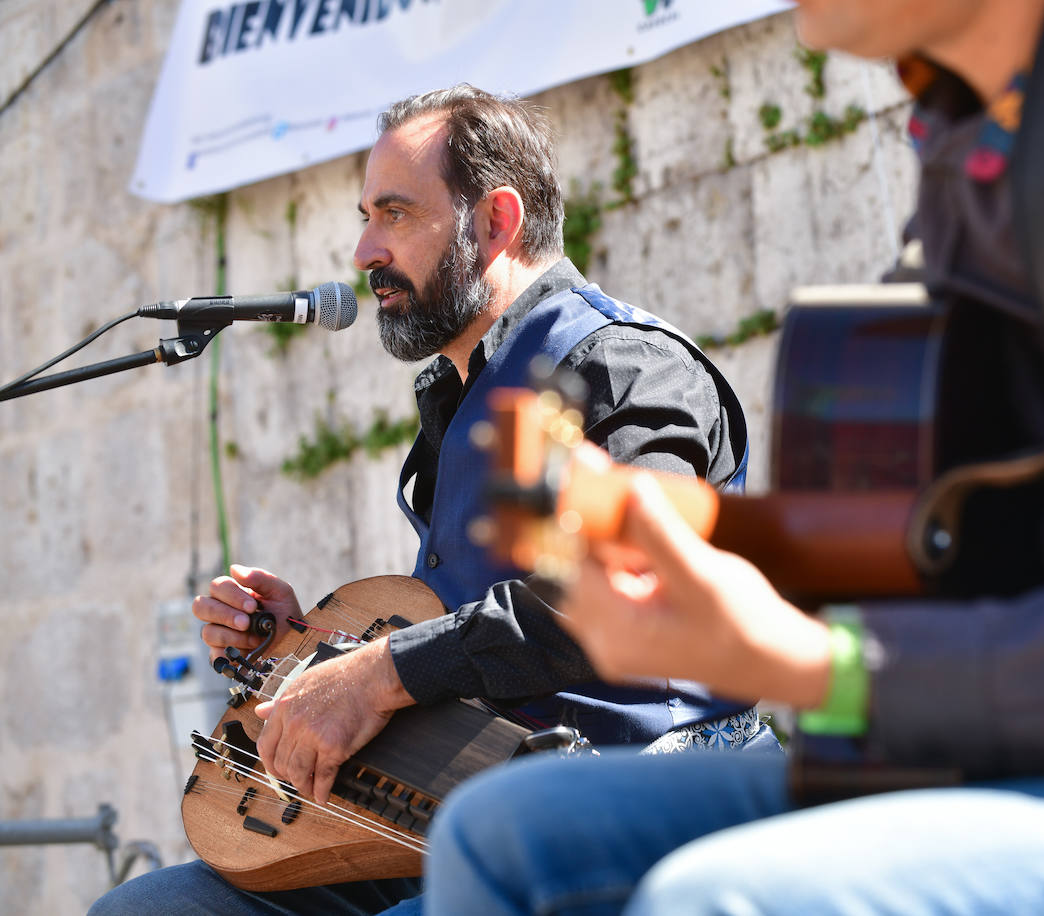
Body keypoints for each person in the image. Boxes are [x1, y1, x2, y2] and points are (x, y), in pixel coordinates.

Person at [420, 0, 1044, 913]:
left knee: (726, 901)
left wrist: (828, 668)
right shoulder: (980, 124)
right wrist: (680, 530)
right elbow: (969, 520)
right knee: (500, 838)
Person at [90, 85, 770, 915]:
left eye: (395, 214)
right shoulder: (461, 393)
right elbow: (463, 625)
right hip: (445, 805)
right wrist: (300, 643)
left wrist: (376, 674)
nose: (364, 249)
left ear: (496, 221)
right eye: (365, 217)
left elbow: (624, 589)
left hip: (620, 810)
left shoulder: (631, 368)